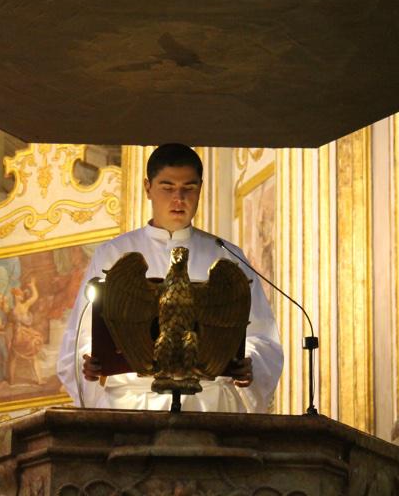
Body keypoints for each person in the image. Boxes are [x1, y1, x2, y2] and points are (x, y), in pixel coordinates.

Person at [56, 143, 283, 413]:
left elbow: (262, 336)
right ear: (147, 187)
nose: (179, 198)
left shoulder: (227, 256)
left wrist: (249, 363)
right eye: (167, 187)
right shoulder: (114, 254)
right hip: (131, 407)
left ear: (201, 188)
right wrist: (91, 364)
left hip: (209, 406)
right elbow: (81, 335)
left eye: (189, 188)